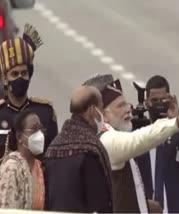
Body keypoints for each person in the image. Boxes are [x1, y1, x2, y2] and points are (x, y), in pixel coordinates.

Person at [84, 77, 179, 213]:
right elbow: (138, 140)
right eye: (120, 106)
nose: (128, 109)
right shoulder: (105, 139)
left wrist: (143, 204)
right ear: (104, 116)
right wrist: (177, 122)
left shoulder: (115, 133)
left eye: (126, 104)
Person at [44, 86, 113, 213]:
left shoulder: (52, 148)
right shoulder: (90, 149)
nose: (102, 115)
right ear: (93, 110)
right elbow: (99, 203)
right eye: (101, 108)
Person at [0, 23, 58, 161]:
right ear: (5, 79)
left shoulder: (45, 112)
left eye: (23, 73)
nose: (20, 77)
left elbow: (54, 157)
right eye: (14, 74)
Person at [146, 75, 179, 213]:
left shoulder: (178, 134)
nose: (159, 104)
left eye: (163, 100)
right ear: (146, 103)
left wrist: (177, 121)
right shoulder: (139, 137)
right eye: (154, 100)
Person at [0, 109, 45, 209]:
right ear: (19, 136)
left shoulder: (39, 167)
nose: (40, 134)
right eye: (34, 129)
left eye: (40, 129)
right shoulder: (11, 169)